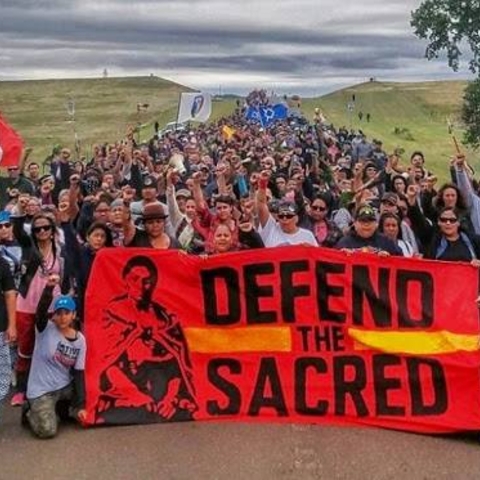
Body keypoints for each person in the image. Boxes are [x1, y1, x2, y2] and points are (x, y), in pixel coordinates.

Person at [95, 255, 197, 423]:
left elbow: (178, 360)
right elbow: (107, 360)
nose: (141, 286)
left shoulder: (164, 315)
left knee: (177, 412)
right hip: (126, 382)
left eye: (147, 281)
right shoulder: (113, 311)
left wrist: (171, 396)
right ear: (125, 279)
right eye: (135, 279)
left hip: (162, 380)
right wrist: (133, 393)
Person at [24, 276, 86, 439]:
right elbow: (40, 311)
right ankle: (29, 410)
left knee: (84, 413)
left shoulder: (80, 340)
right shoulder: (45, 329)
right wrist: (49, 288)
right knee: (47, 431)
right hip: (41, 391)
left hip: (64, 387)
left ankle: (61, 409)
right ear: (55, 315)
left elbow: (79, 373)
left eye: (67, 313)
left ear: (74, 315)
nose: (63, 317)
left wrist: (81, 406)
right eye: (59, 313)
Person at [256, 171, 317, 247]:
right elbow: (261, 203)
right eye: (281, 216)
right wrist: (262, 183)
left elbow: (316, 256)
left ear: (296, 218)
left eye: (289, 215)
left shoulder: (307, 236)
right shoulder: (271, 229)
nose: (284, 218)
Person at [335, 204, 403, 256]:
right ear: (355, 224)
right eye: (363, 221)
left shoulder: (386, 242)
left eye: (370, 221)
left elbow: (402, 262)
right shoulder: (344, 243)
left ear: (376, 224)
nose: (366, 224)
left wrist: (389, 258)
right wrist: (341, 255)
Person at [0, 256, 16, 423]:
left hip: (0, 327)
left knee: (2, 374)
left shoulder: (2, 263)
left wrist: (12, 325)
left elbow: (10, 294)